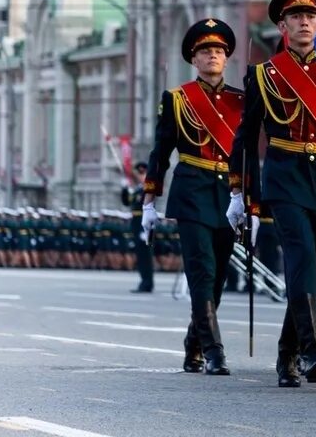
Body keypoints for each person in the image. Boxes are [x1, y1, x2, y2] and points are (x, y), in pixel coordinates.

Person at [228, 0, 316, 387]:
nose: (305, 22)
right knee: (302, 258)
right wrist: (241, 193)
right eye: (296, 16)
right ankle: (312, 350)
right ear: (282, 26)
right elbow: (245, 137)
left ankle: (286, 354)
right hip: (284, 179)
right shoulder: (264, 75)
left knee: (315, 270)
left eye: (310, 16)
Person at [143, 19, 244, 374]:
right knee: (201, 272)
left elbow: (247, 155)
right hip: (191, 190)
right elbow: (161, 151)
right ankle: (214, 350)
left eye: (218, 51)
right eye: (205, 51)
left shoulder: (240, 100)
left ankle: (194, 341)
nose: (212, 55)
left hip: (228, 195)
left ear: (226, 58)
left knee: (217, 276)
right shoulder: (177, 99)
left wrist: (252, 201)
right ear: (194, 59)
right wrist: (149, 200)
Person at [122, 163, 154, 293]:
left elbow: (150, 208)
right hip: (137, 224)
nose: (140, 177)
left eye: (142, 174)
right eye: (139, 174)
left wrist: (144, 230)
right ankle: (144, 281)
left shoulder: (149, 189)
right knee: (141, 256)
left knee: (146, 256)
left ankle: (147, 283)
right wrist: (124, 188)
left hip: (145, 225)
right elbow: (126, 202)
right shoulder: (137, 190)